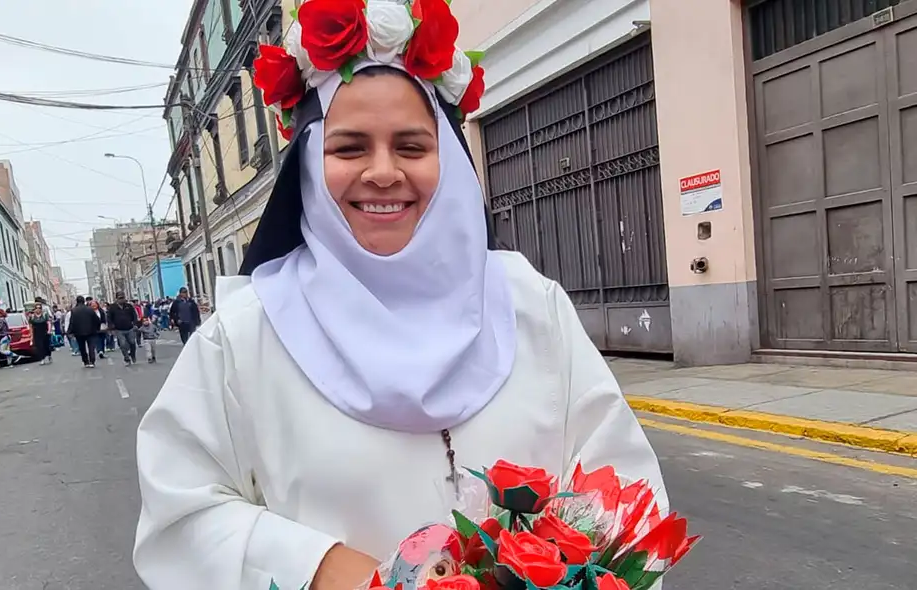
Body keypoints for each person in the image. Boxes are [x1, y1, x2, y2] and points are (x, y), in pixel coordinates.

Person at [133, 7, 665, 590]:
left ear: (451, 162)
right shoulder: (244, 336)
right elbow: (180, 518)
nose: (383, 173)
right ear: (310, 163)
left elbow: (622, 491)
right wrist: (332, 571)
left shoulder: (531, 306)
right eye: (350, 148)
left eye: (412, 147)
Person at [67, 296, 100, 368]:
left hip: (79, 332)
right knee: (91, 347)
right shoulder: (90, 309)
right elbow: (97, 320)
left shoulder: (74, 310)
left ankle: (85, 361)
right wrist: (97, 328)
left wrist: (69, 332)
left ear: (77, 301)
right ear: (84, 301)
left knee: (82, 348)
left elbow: (72, 322)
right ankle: (92, 361)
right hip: (91, 331)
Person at [107, 291, 140, 365]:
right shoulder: (112, 307)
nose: (122, 299)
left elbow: (134, 315)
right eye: (120, 298)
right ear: (117, 299)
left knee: (132, 342)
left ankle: (133, 355)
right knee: (122, 344)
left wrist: (135, 324)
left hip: (130, 328)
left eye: (123, 298)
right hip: (119, 329)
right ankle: (126, 358)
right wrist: (111, 328)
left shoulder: (129, 306)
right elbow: (109, 318)